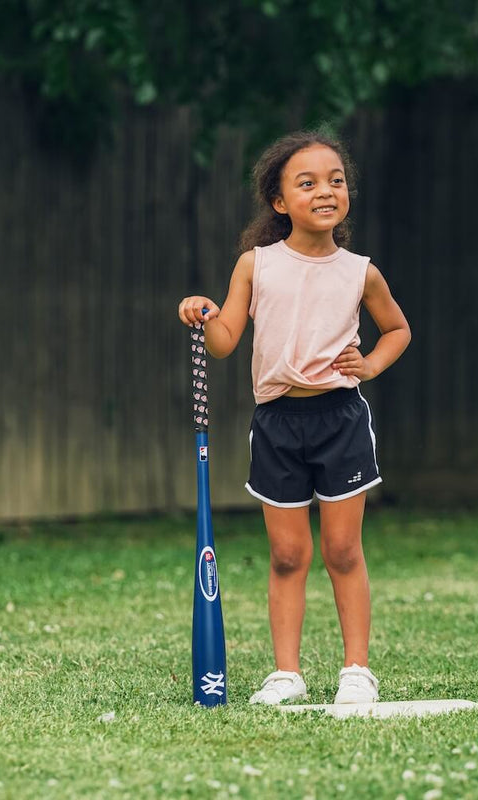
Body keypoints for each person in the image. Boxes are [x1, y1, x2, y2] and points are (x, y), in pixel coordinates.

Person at [177, 129, 411, 705]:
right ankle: (288, 674)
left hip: (340, 419)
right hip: (278, 423)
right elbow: (228, 340)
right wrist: (204, 314)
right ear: (280, 203)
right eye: (306, 183)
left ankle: (356, 669)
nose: (325, 191)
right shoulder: (256, 266)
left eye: (336, 181)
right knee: (287, 555)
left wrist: (371, 365)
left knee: (342, 550)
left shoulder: (361, 272)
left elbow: (398, 329)